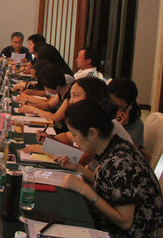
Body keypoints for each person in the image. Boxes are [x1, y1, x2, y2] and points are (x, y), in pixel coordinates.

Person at [56, 100, 163, 238]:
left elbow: (125, 221)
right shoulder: (113, 145)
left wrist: (84, 189)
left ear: (92, 133)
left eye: (74, 134)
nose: (74, 140)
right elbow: (110, 185)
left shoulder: (121, 162)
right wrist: (79, 168)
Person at [108, 77, 144, 146]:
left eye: (119, 107)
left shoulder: (136, 125)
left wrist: (119, 128)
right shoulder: (103, 112)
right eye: (111, 105)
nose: (115, 110)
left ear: (129, 106)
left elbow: (130, 150)